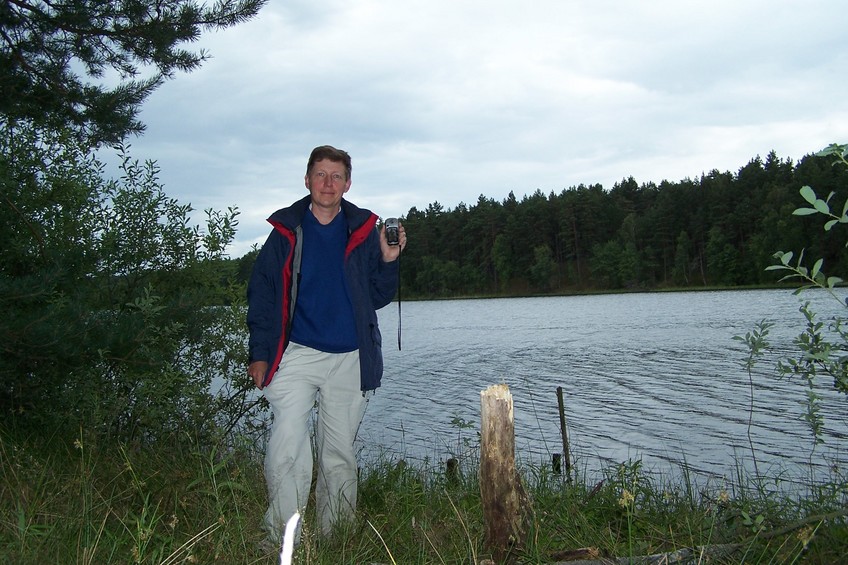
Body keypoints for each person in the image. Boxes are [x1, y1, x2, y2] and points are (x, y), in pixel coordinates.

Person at [246, 145, 406, 548]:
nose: (328, 183)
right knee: (287, 445)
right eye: (321, 174)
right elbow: (263, 295)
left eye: (337, 176)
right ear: (307, 180)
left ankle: (336, 541)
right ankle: (282, 538)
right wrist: (260, 353)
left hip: (350, 359)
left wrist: (388, 260)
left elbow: (377, 296)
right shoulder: (285, 231)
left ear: (347, 183)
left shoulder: (364, 231)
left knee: (338, 456)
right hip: (295, 354)